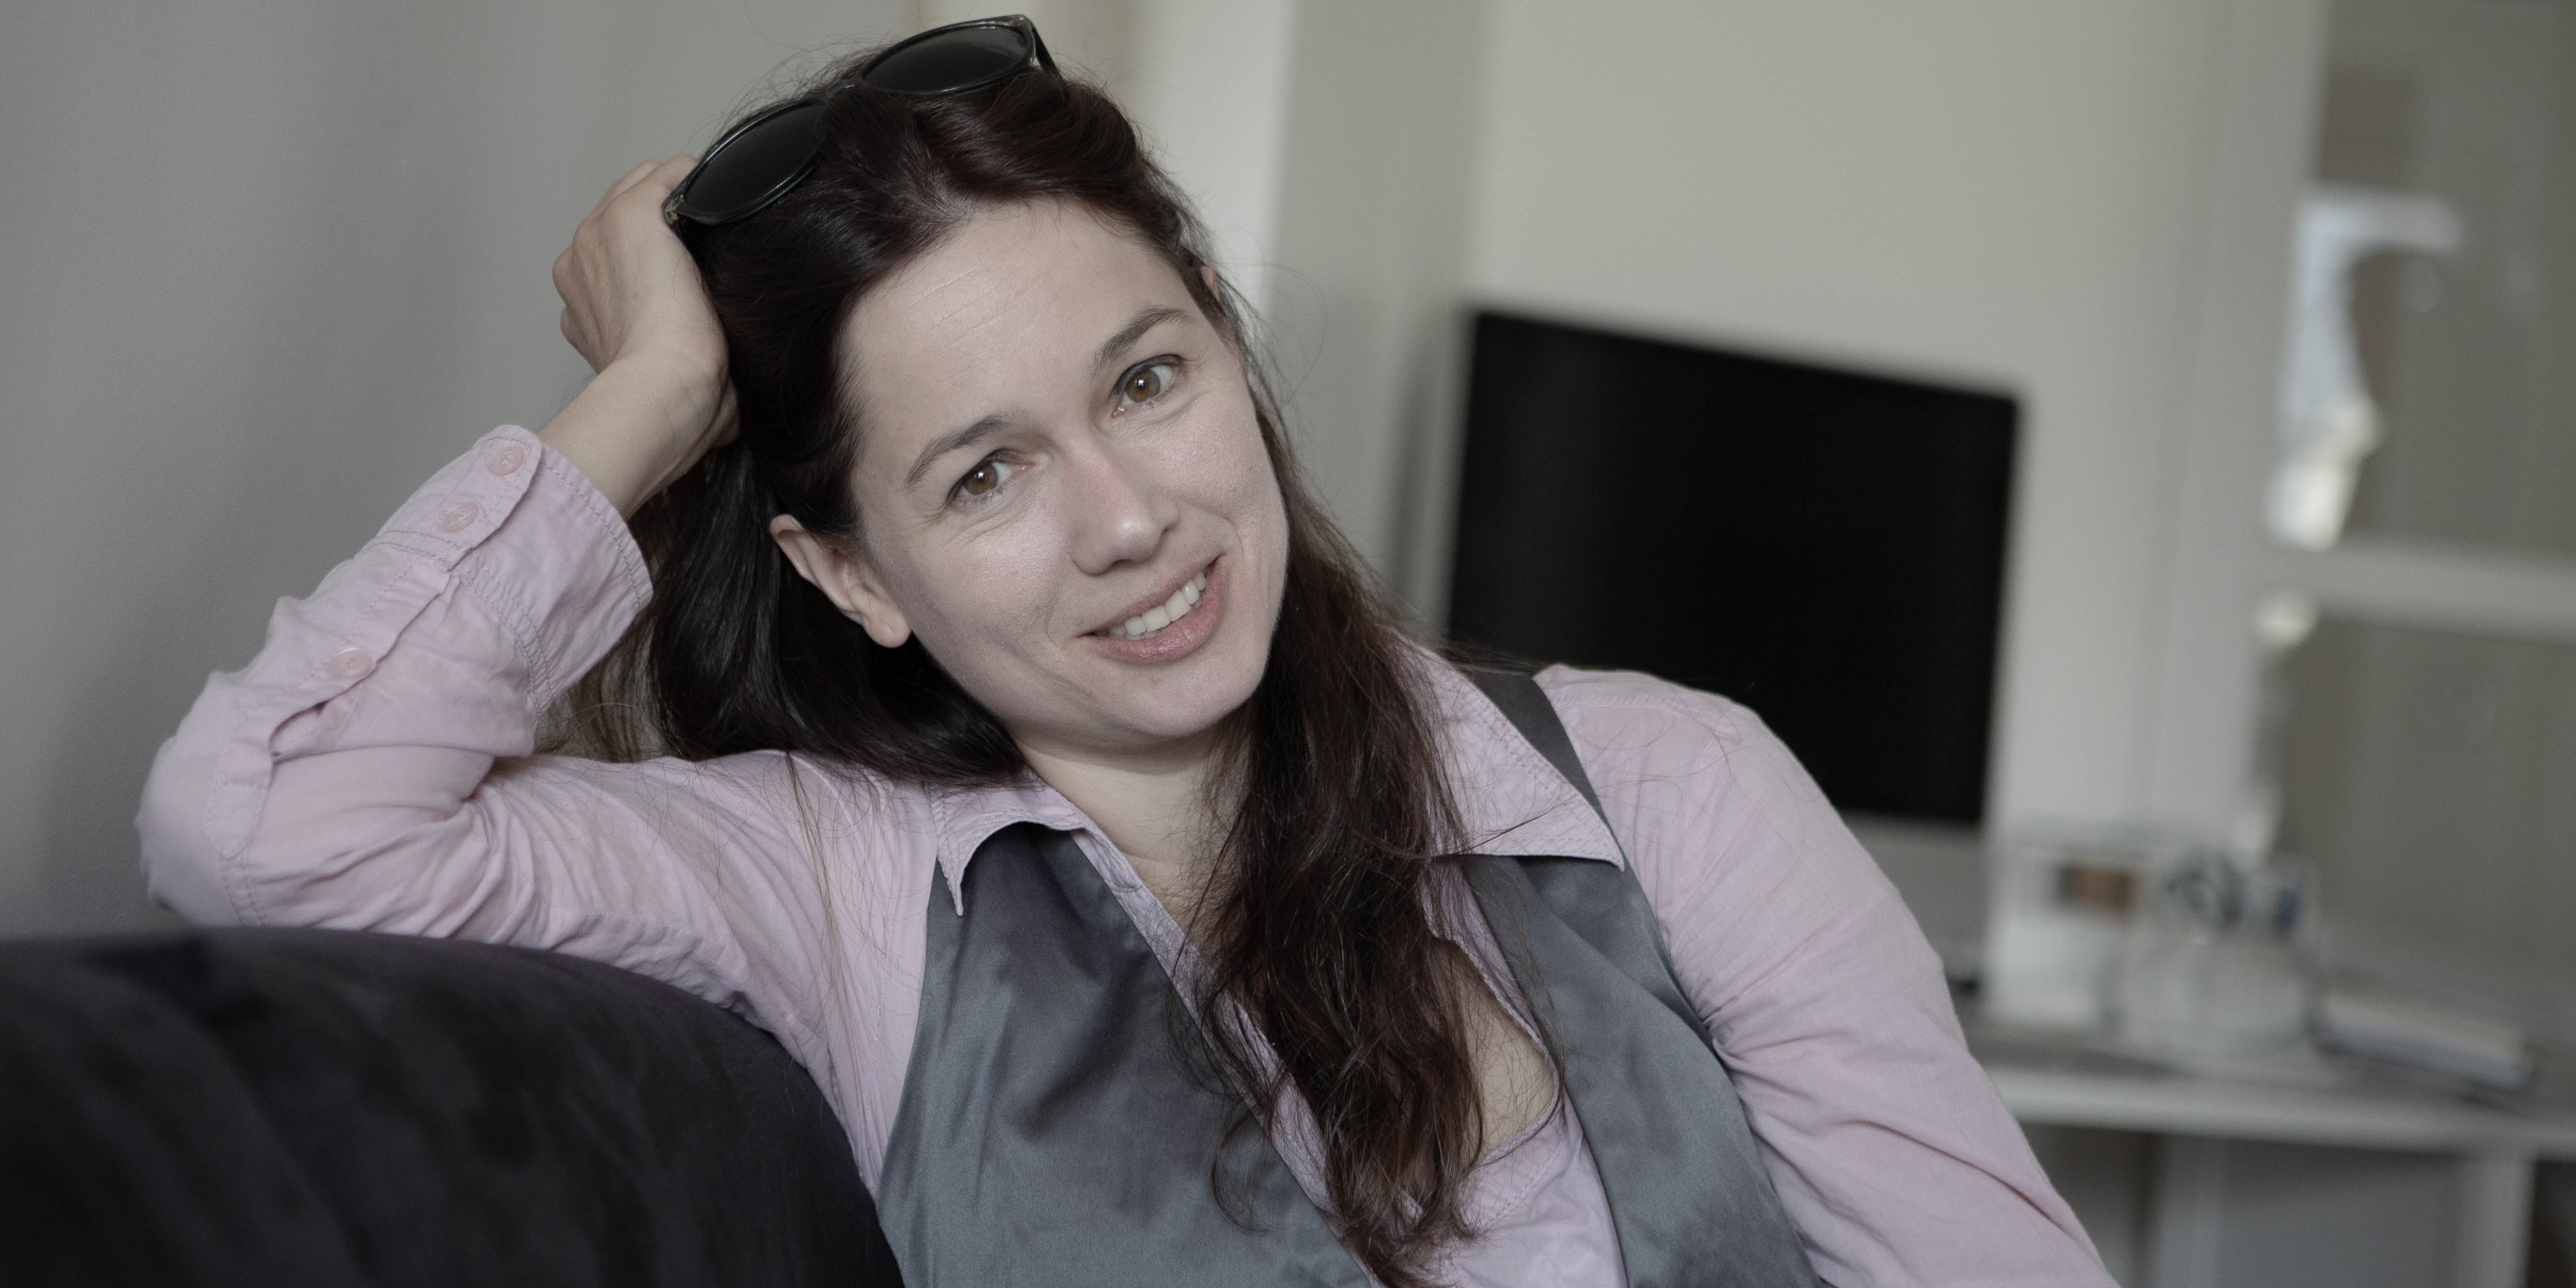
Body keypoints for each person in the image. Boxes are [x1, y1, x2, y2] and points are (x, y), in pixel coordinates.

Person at [140, 17, 2112, 1288]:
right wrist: (655, 395)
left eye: (1147, 380)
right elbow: (269, 827)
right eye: (985, 475)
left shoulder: (1669, 788)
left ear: (1228, 354)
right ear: (852, 575)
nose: (1129, 519)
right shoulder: (826, 883)